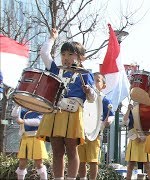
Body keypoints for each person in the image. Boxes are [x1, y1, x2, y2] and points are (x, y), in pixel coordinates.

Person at [36, 28, 96, 180]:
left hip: (73, 114)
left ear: (81, 57)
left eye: (70, 54)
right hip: (55, 112)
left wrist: (88, 91)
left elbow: (92, 99)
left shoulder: (85, 74)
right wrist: (52, 38)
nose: (66, 58)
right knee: (56, 150)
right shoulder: (56, 70)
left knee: (71, 149)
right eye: (63, 54)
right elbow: (44, 54)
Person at [77, 72, 115, 180]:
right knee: (81, 160)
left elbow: (111, 115)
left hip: (95, 134)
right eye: (93, 80)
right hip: (82, 132)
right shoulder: (84, 96)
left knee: (93, 161)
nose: (94, 82)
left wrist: (108, 121)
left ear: (104, 85)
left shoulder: (104, 99)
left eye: (98, 80)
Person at [11, 105, 48, 180]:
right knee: (22, 163)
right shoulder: (24, 110)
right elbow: (14, 115)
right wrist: (17, 105)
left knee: (39, 163)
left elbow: (39, 121)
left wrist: (24, 121)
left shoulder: (40, 110)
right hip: (25, 138)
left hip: (36, 138)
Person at [123, 104, 150, 180]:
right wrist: (128, 110)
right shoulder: (131, 110)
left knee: (147, 164)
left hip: (144, 139)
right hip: (133, 138)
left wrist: (145, 136)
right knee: (131, 164)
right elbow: (125, 121)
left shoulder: (147, 110)